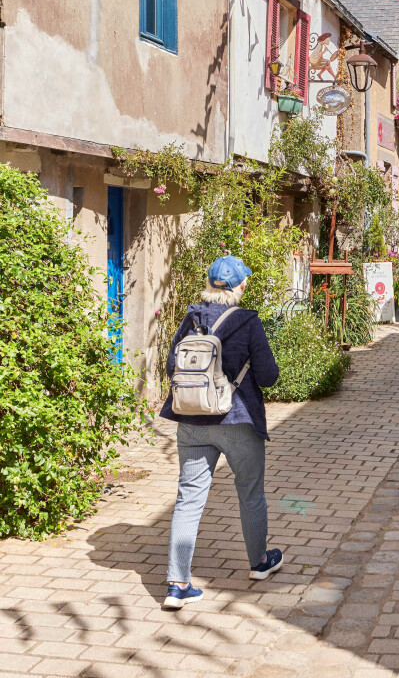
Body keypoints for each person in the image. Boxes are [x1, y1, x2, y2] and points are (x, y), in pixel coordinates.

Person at [160, 255, 282, 608]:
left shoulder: (191, 318)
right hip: (238, 420)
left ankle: (177, 584)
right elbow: (269, 375)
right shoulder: (247, 322)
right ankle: (259, 563)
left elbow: (171, 366)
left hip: (192, 421)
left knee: (189, 498)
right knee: (250, 492)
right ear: (239, 285)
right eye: (245, 281)